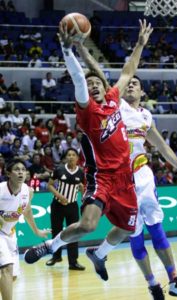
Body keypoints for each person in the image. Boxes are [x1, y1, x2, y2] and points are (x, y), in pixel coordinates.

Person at [24, 19, 153, 282]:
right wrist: (67, 50)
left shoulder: (114, 99)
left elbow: (128, 70)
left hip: (125, 177)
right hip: (101, 176)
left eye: (98, 83)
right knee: (88, 225)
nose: (93, 85)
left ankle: (100, 253)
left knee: (128, 228)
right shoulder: (87, 111)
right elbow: (78, 79)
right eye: (90, 83)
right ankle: (50, 246)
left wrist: (139, 44)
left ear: (104, 88)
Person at [75, 39, 177, 300]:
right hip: (118, 179)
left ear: (143, 92)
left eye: (135, 84)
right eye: (129, 83)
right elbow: (99, 71)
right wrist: (82, 49)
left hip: (141, 175)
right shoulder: (115, 105)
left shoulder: (146, 116)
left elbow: (164, 150)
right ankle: (152, 284)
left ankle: (174, 280)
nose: (130, 84)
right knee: (134, 234)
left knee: (156, 227)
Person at [0, 158, 50, 300]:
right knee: (7, 269)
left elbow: (27, 211)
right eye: (17, 169)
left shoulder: (28, 191)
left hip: (10, 233)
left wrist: (37, 231)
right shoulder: (1, 190)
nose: (21, 172)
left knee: (12, 276)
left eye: (23, 169)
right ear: (8, 173)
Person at [46, 148, 85, 271]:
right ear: (65, 158)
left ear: (77, 158)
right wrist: (59, 196)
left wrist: (82, 188)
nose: (71, 157)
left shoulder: (81, 172)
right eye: (69, 155)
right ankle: (56, 256)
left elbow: (84, 190)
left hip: (72, 206)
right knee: (56, 232)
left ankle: (73, 262)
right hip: (57, 205)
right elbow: (49, 185)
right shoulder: (59, 169)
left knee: (73, 234)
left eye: (74, 155)